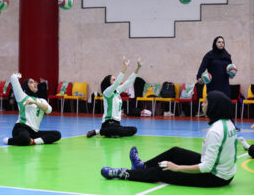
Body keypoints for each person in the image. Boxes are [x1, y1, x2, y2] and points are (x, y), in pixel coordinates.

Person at [101, 91, 237, 188]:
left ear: (214, 106)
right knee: (175, 152)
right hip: (222, 171)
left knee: (162, 171)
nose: (202, 104)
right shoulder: (228, 124)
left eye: (206, 102)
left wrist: (177, 168)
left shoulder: (215, 131)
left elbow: (206, 167)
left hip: (215, 177)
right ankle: (142, 166)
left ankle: (123, 173)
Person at [86, 57, 142, 138]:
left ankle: (113, 132)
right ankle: (97, 131)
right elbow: (117, 83)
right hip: (108, 124)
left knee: (134, 129)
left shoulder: (118, 91)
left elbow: (129, 81)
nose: (115, 81)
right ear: (108, 83)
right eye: (113, 80)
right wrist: (125, 68)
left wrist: (138, 67)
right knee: (116, 130)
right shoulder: (107, 92)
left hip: (117, 124)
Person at [3, 73, 61, 146]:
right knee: (24, 137)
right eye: (31, 82)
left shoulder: (41, 100)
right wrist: (15, 76)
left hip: (34, 132)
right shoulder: (22, 96)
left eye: (35, 82)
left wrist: (35, 102)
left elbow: (49, 110)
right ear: (26, 86)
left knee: (57, 134)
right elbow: (14, 80)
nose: (35, 83)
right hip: (21, 128)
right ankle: (9, 140)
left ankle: (33, 141)